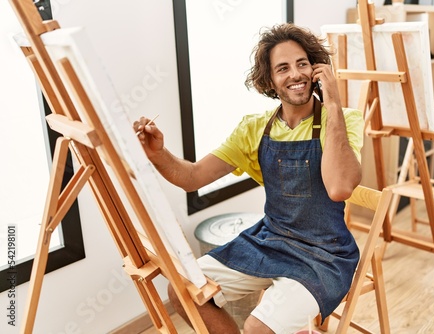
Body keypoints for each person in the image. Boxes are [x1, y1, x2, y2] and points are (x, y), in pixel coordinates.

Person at [134, 23, 364, 334]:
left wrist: (333, 103)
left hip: (325, 254)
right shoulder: (253, 129)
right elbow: (192, 177)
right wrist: (158, 153)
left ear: (316, 69)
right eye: (283, 68)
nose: (295, 74)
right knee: (184, 289)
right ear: (271, 80)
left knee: (257, 327)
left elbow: (339, 188)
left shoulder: (344, 120)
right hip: (271, 239)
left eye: (302, 64)